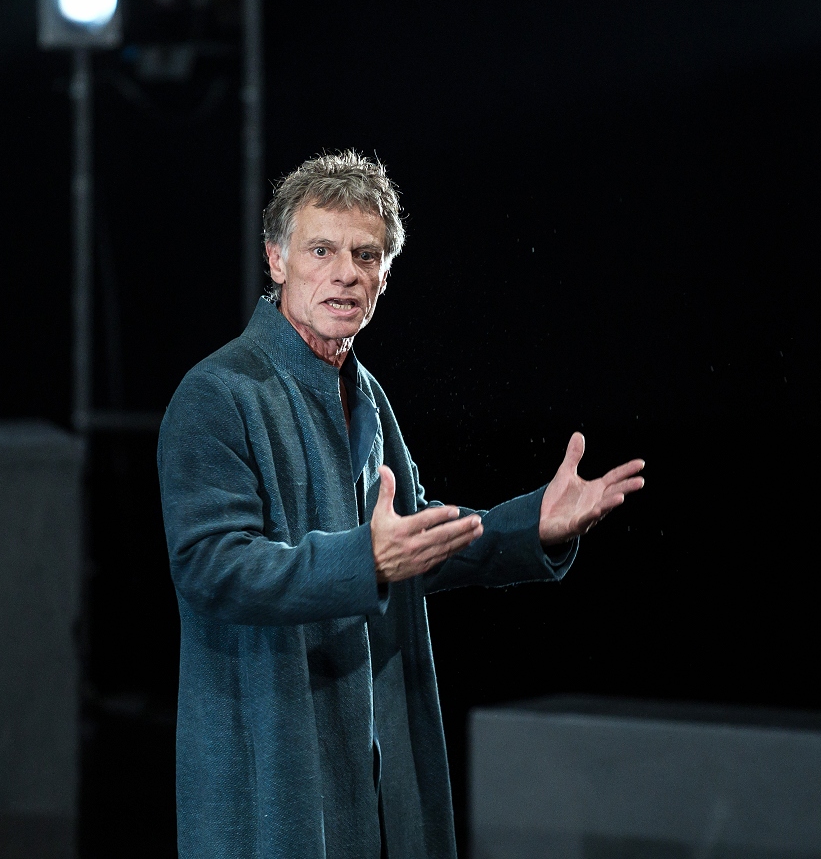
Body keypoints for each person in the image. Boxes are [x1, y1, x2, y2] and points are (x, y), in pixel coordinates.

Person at [157, 151, 645, 859]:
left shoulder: (367, 394)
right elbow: (212, 568)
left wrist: (529, 525)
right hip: (272, 757)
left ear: (386, 274)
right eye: (321, 250)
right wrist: (368, 560)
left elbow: (411, 542)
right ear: (276, 260)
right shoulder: (217, 393)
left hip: (372, 762)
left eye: (366, 254)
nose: (345, 272)